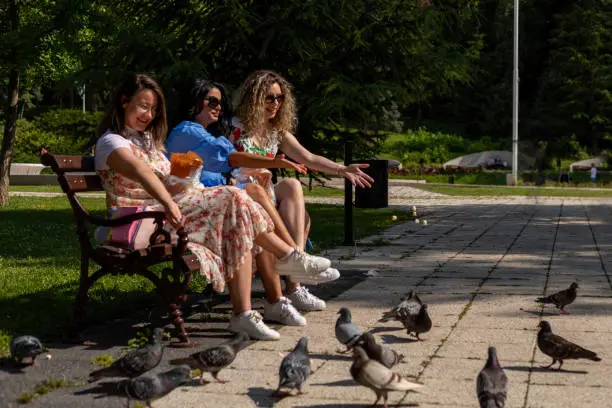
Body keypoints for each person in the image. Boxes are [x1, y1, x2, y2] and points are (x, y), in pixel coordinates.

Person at [94, 74, 335, 340]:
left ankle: (251, 306)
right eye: (143, 106)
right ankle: (289, 260)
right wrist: (168, 202)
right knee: (236, 198)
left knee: (239, 207)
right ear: (124, 102)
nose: (148, 115)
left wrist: (183, 180)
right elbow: (142, 172)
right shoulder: (111, 143)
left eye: (153, 109)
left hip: (173, 211)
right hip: (149, 219)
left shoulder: (147, 141)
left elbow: (166, 178)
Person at [166, 79, 339, 324]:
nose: (218, 107)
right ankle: (286, 279)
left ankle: (284, 283)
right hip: (194, 212)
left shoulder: (206, 133)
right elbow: (230, 159)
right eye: (211, 101)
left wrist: (342, 170)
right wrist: (273, 163)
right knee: (254, 208)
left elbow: (306, 157)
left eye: (220, 102)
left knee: (269, 202)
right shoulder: (190, 131)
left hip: (212, 206)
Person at [230, 70, 374, 297]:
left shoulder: (277, 132)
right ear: (254, 98)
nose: (275, 103)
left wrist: (341, 169)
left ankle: (298, 263)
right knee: (302, 217)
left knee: (292, 185)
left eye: (280, 98)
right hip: (242, 192)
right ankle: (297, 276)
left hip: (266, 192)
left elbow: (308, 158)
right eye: (269, 97)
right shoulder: (235, 128)